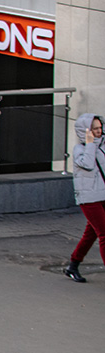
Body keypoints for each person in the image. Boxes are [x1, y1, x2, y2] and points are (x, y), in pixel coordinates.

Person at [65, 112, 105, 283]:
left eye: (100, 127)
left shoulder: (102, 146)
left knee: (91, 234)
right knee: (104, 233)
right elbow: (88, 165)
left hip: (103, 194)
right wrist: (90, 144)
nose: (99, 131)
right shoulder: (79, 149)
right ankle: (72, 265)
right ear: (85, 131)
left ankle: (73, 265)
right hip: (89, 198)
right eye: (94, 129)